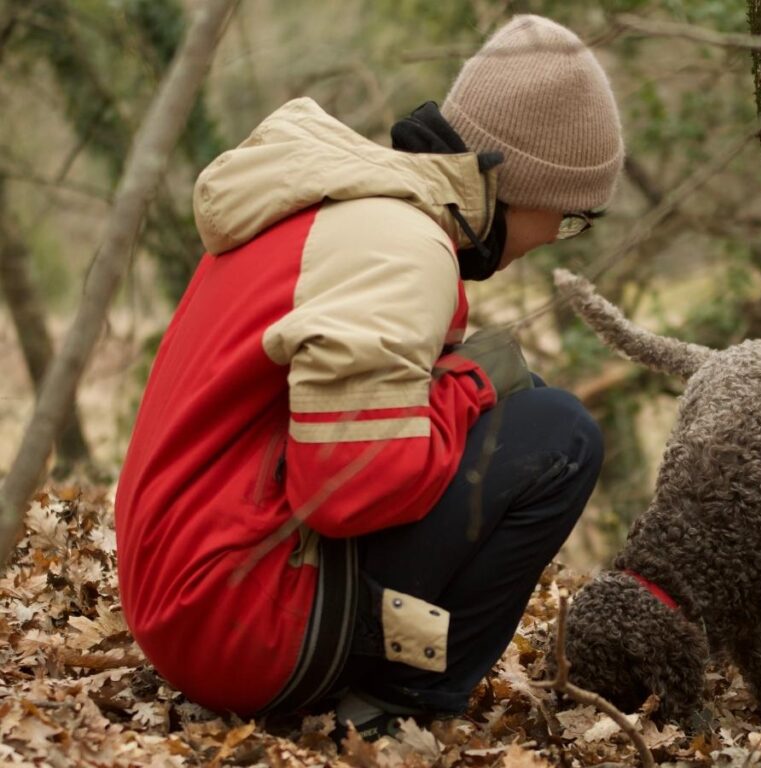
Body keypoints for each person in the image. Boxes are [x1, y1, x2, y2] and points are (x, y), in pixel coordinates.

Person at [114, 14, 624, 738]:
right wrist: (472, 385)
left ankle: (384, 685)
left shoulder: (331, 205)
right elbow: (346, 489)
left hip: (186, 598)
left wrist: (466, 385)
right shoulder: (404, 246)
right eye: (570, 219)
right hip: (240, 629)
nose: (555, 240)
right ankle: (403, 707)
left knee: (525, 406)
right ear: (525, 187)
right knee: (560, 435)